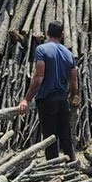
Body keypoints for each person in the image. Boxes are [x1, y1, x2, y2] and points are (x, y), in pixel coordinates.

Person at [18, 21, 80, 161]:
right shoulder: (69, 54)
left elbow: (39, 77)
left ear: (47, 33)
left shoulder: (42, 49)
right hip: (62, 98)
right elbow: (73, 79)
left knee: (50, 136)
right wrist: (74, 95)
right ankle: (71, 163)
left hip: (47, 99)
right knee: (65, 134)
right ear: (62, 35)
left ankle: (53, 166)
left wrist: (27, 99)